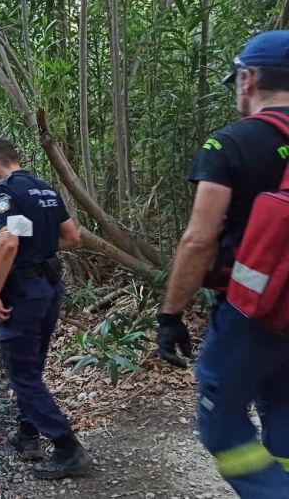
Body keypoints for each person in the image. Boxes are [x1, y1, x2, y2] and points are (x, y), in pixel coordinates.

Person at [156, 31, 289, 498]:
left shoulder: (229, 145)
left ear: (249, 80)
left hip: (251, 314)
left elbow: (198, 241)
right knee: (283, 410)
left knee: (221, 426)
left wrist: (170, 315)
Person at [0, 137, 87, 479]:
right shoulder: (44, 188)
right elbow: (71, 237)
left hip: (24, 290)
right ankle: (27, 435)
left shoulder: (7, 192)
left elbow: (7, 242)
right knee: (32, 366)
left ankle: (66, 445)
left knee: (21, 373)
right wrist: (39, 244)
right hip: (50, 287)